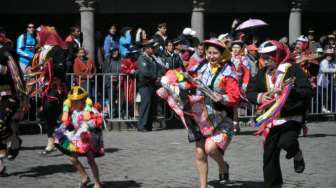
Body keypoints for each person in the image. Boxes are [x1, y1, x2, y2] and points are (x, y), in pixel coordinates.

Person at [157, 39, 240, 188]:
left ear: (222, 54)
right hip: (199, 115)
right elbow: (188, 80)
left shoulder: (228, 71)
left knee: (210, 148)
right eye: (209, 52)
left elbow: (235, 96)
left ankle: (223, 165)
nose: (211, 56)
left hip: (221, 116)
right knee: (200, 153)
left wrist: (222, 97)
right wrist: (175, 82)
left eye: (215, 53)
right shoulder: (200, 66)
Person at [246, 40, 313, 188]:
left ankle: (297, 153)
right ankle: (274, 185)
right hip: (272, 120)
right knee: (269, 154)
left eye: (270, 57)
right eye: (263, 57)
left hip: (292, 116)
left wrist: (288, 93)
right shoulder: (262, 73)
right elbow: (250, 91)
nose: (266, 60)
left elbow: (307, 91)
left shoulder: (293, 69)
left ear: (279, 54)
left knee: (286, 142)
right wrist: (261, 97)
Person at [26, 25, 68, 155]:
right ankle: (51, 141)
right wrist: (29, 67)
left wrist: (49, 65)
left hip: (56, 86)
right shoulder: (40, 51)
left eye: (38, 34)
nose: (36, 37)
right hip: (44, 87)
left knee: (51, 109)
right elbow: (33, 64)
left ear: (45, 35)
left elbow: (62, 68)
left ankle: (61, 137)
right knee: (47, 114)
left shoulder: (57, 50)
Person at [54, 86, 103, 188]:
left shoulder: (89, 110)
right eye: (72, 102)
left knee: (90, 159)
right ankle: (85, 177)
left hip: (88, 138)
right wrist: (62, 129)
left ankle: (97, 183)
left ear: (83, 100)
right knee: (72, 158)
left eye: (77, 102)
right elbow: (68, 123)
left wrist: (89, 124)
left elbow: (96, 121)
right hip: (76, 137)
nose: (74, 104)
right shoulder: (73, 112)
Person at [0, 31, 28, 175]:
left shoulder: (6, 52)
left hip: (8, 94)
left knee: (0, 123)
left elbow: (14, 73)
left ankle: (15, 141)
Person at [136, 40, 159, 131]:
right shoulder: (142, 58)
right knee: (146, 104)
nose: (153, 50)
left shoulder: (153, 58)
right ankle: (141, 125)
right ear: (146, 49)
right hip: (144, 84)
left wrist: (159, 76)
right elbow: (145, 71)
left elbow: (158, 68)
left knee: (152, 104)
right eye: (152, 48)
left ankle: (148, 125)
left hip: (152, 84)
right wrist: (155, 76)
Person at [230, 40, 250, 134]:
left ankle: (235, 125)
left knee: (235, 106)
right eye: (234, 47)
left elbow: (247, 72)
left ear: (241, 49)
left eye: (237, 47)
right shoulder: (228, 57)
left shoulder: (244, 59)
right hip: (227, 83)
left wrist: (245, 84)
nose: (235, 49)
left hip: (237, 84)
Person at [316, 48, 336, 113]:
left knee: (329, 97)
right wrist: (334, 71)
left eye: (331, 55)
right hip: (321, 83)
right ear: (325, 55)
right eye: (328, 54)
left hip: (329, 83)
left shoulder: (333, 63)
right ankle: (322, 109)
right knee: (322, 97)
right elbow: (324, 70)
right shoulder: (323, 61)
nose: (329, 56)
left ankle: (328, 109)